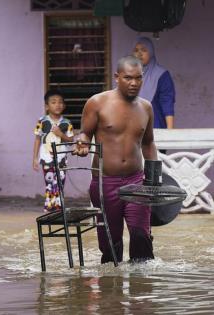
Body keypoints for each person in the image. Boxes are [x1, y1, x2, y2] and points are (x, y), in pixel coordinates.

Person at [74, 55, 158, 263]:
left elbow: (148, 143)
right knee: (111, 243)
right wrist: (82, 143)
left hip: (136, 181)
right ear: (116, 77)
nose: (134, 83)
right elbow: (85, 133)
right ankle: (111, 291)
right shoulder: (97, 103)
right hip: (104, 182)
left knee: (140, 235)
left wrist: (154, 180)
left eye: (138, 78)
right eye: (128, 78)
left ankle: (142, 291)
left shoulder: (146, 107)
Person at [33, 90, 74, 212]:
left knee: (60, 183)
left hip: (61, 159)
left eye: (60, 102)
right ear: (47, 106)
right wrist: (35, 158)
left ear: (64, 105)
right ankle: (49, 207)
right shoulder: (42, 121)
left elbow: (71, 140)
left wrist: (60, 134)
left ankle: (58, 207)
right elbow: (37, 139)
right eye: (53, 102)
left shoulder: (67, 123)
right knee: (50, 182)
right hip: (46, 158)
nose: (58, 105)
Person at [133, 37, 175, 129]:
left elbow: (167, 103)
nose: (139, 54)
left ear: (151, 52)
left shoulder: (162, 75)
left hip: (155, 128)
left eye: (144, 50)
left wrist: (170, 132)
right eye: (136, 50)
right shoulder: (130, 75)